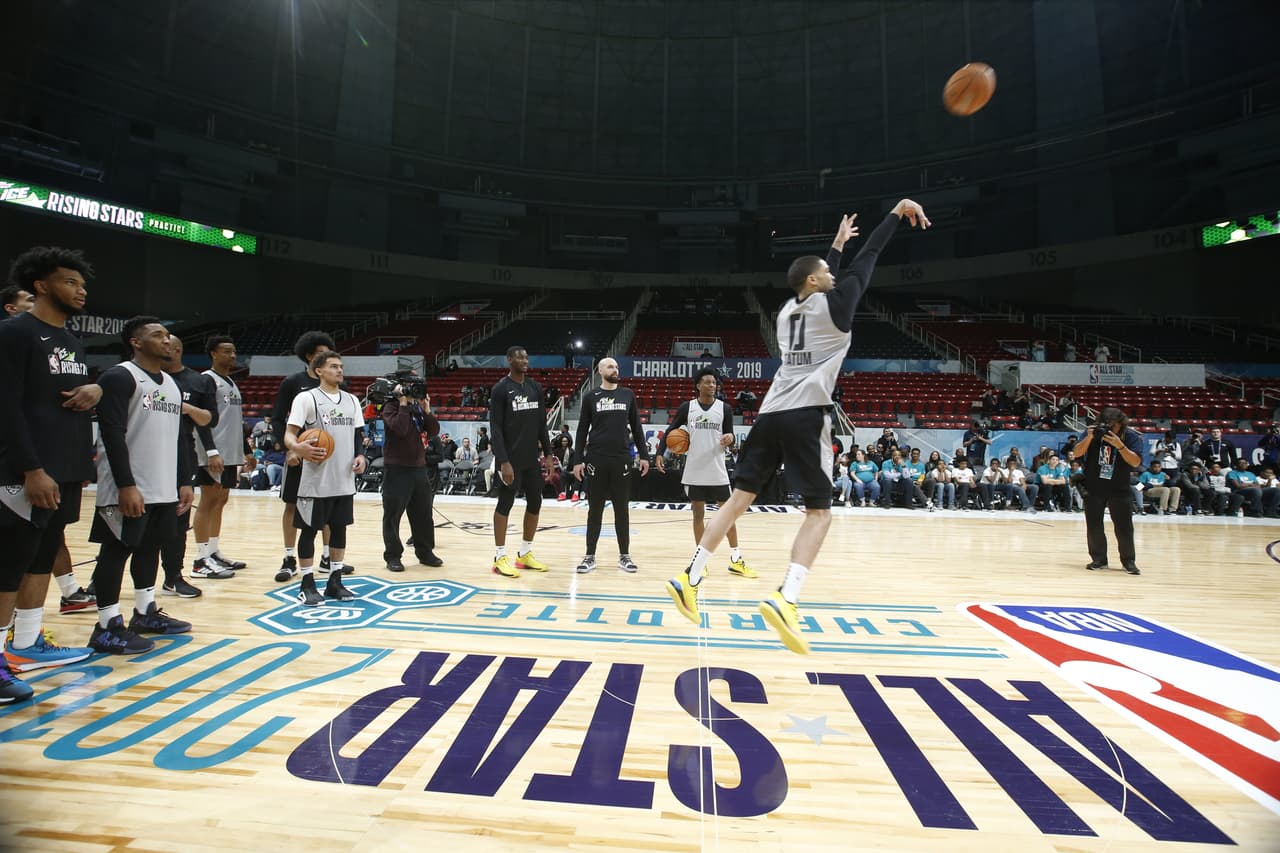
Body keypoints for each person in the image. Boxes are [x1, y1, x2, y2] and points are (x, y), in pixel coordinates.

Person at [664, 200, 930, 654]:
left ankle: (691, 576)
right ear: (815, 280)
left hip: (771, 412)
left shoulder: (787, 314)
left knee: (738, 500)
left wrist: (835, 246)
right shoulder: (840, 305)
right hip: (808, 415)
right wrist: (893, 215)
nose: (833, 274)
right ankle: (787, 597)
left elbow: (828, 274)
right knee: (820, 513)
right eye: (826, 271)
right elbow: (868, 260)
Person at [0, 247, 98, 700]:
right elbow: (7, 408)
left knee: (41, 556)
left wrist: (96, 387)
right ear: (40, 285)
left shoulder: (73, 341)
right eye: (69, 282)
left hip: (66, 470)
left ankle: (24, 644)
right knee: (7, 567)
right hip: (26, 472)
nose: (80, 290)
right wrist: (31, 468)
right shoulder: (15, 334)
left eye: (82, 284)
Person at [88, 316, 195, 654]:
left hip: (163, 485)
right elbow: (112, 434)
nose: (166, 341)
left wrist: (184, 480)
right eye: (157, 335)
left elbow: (180, 438)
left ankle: (145, 612)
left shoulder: (171, 384)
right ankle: (106, 626)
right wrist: (125, 484)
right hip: (128, 485)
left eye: (167, 335)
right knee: (115, 552)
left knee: (151, 548)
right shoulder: (120, 377)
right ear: (135, 342)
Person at [283, 352, 366, 604]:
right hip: (315, 480)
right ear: (318, 371)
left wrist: (361, 456)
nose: (340, 371)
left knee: (339, 531)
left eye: (341, 366)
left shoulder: (352, 400)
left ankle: (335, 581)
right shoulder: (306, 398)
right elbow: (289, 434)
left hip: (343, 479)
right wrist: (298, 448)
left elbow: (357, 436)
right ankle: (307, 584)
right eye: (333, 367)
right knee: (308, 532)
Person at [656, 367, 755, 577]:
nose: (712, 385)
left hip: (717, 469)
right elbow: (670, 431)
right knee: (698, 515)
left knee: (727, 516)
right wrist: (659, 453)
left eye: (715, 382)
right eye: (708, 382)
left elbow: (730, 435)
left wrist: (730, 439)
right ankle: (700, 561)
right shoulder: (687, 407)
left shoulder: (724, 408)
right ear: (698, 385)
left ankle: (736, 559)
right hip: (694, 469)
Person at [270, 331, 353, 582]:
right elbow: (277, 419)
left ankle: (328, 557)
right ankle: (288, 557)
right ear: (310, 358)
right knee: (292, 505)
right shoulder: (293, 383)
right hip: (300, 456)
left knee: (328, 508)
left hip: (328, 461)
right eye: (321, 355)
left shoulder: (342, 391)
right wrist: (291, 449)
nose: (329, 360)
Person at [573, 356, 651, 574]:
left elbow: (636, 427)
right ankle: (590, 556)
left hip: (621, 459)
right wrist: (578, 459)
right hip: (596, 458)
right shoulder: (590, 396)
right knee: (594, 509)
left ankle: (624, 555)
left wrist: (644, 455)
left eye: (616, 366)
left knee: (621, 509)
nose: (615, 369)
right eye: (610, 366)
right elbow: (581, 430)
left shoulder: (627, 394)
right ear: (600, 371)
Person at [158, 335, 218, 597]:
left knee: (178, 521)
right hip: (144, 456)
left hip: (182, 454)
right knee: (133, 521)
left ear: (177, 349)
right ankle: (98, 582)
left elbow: (209, 420)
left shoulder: (198, 381)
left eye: (165, 340)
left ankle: (173, 577)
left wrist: (188, 408)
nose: (161, 344)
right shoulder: (138, 378)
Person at [489, 347, 556, 577]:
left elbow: (541, 425)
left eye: (527, 357)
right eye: (519, 357)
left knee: (535, 502)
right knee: (505, 503)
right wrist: (503, 461)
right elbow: (495, 429)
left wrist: (548, 454)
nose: (524, 360)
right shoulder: (500, 389)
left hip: (530, 459)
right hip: (510, 459)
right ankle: (499, 556)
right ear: (509, 360)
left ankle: (525, 554)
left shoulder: (535, 387)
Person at [192, 335, 246, 574]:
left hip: (230, 452)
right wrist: (211, 451)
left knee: (221, 501)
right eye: (226, 351)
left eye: (234, 351)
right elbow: (201, 421)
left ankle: (213, 551)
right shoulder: (207, 380)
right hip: (212, 453)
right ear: (213, 353)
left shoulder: (231, 382)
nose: (232, 356)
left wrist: (246, 450)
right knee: (208, 500)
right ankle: (200, 558)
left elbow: (234, 421)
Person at [380, 382, 442, 572]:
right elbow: (400, 429)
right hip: (397, 468)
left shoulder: (417, 408)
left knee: (423, 514)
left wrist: (427, 410)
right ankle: (393, 555)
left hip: (418, 468)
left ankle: (425, 552)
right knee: (393, 515)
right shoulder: (390, 407)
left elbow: (433, 431)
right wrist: (403, 404)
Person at [1076, 407, 1144, 575]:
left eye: (1113, 426)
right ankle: (1099, 559)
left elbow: (1135, 462)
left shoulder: (1131, 436)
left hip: (1119, 487)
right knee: (1094, 525)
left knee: (1124, 526)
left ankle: (1128, 561)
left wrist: (1119, 446)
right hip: (1094, 486)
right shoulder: (1092, 433)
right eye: (1106, 425)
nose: (1109, 429)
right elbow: (1077, 453)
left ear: (1121, 424)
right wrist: (1090, 437)